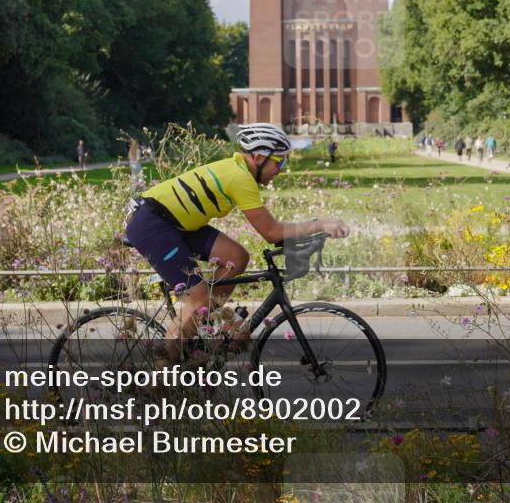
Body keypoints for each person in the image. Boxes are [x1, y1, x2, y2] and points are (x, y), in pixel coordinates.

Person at [124, 123, 349, 363]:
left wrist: (313, 232)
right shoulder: (240, 177)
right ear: (260, 157)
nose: (281, 170)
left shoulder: (239, 170)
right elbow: (271, 233)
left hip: (176, 223)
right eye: (280, 162)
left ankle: (205, 322)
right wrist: (320, 224)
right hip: (153, 224)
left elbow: (275, 234)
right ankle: (160, 378)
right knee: (198, 297)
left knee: (236, 257)